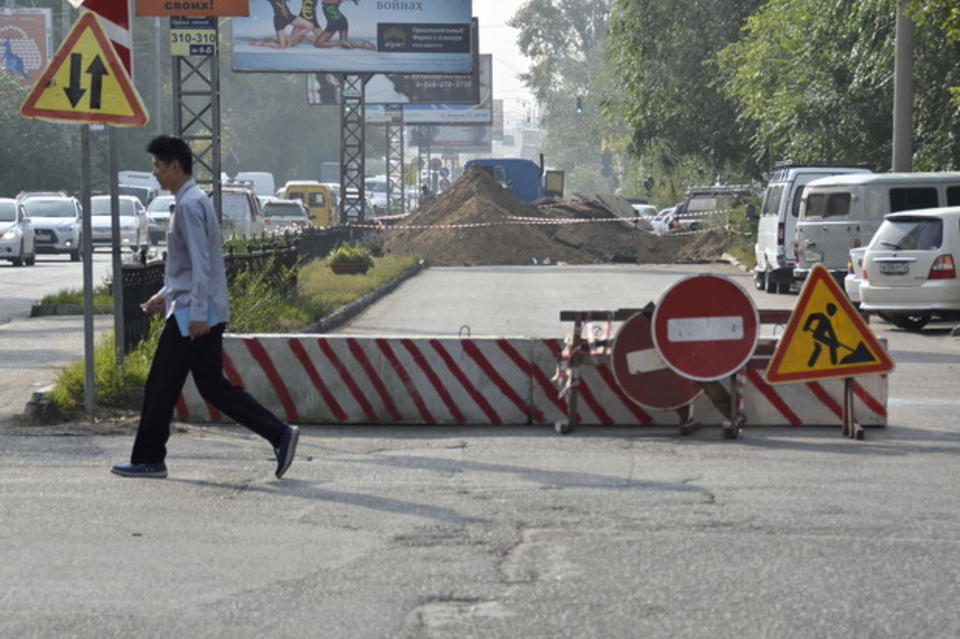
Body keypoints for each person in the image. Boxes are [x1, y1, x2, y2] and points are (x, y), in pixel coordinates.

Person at [111, 135, 299, 480]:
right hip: (191, 308)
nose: (155, 173)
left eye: (158, 166)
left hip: (191, 316)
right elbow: (187, 267)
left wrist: (197, 312)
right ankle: (279, 434)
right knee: (212, 386)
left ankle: (149, 458)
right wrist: (164, 294)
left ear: (175, 166)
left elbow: (202, 264)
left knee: (160, 386)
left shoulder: (188, 204)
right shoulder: (191, 201)